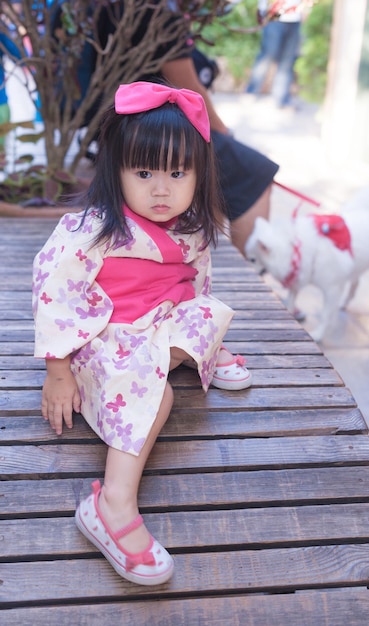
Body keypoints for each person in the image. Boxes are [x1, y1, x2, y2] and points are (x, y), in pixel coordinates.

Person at [32, 81, 253, 586]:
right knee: (157, 398)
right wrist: (58, 371)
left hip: (158, 327)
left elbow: (195, 286)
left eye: (178, 173)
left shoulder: (190, 227)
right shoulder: (91, 230)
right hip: (106, 341)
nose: (161, 189)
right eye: (144, 171)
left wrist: (201, 339)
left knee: (210, 310)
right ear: (116, 170)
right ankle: (110, 505)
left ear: (199, 173)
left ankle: (197, 357)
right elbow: (55, 294)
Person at [51, 0, 280, 256]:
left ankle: (202, 250)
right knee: (255, 173)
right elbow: (188, 85)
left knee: (221, 169)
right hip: (148, 124)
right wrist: (222, 131)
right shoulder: (160, 9)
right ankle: (245, 264)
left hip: (112, 118)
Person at [246, 0, 313, 109]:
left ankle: (281, 99)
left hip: (295, 18)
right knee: (267, 55)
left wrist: (306, 9)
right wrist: (262, 10)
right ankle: (251, 91)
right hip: (274, 16)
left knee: (287, 61)